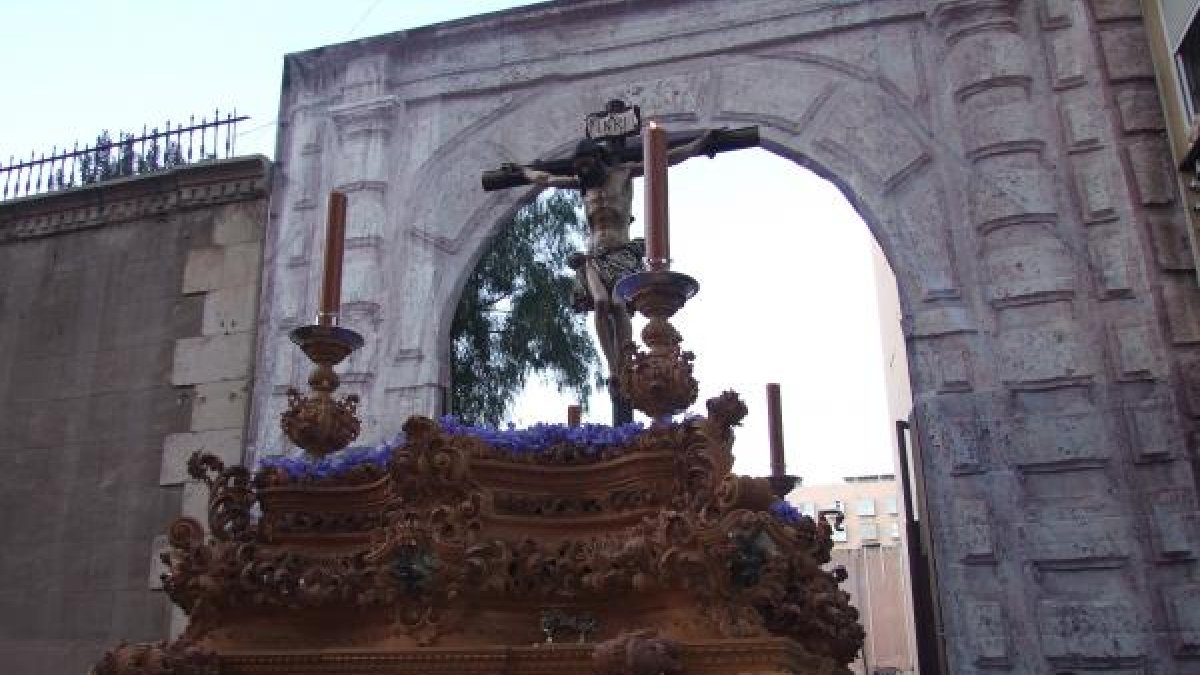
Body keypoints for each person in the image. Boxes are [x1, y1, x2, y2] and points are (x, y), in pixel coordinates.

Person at [520, 130, 719, 404]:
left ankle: (625, 361)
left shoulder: (623, 174)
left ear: (599, 159)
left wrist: (699, 143)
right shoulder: (583, 185)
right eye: (579, 166)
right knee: (601, 304)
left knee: (617, 304)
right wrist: (522, 171)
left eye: (586, 164)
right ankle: (613, 368)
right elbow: (546, 179)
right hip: (593, 258)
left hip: (622, 253)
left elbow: (665, 158)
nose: (582, 171)